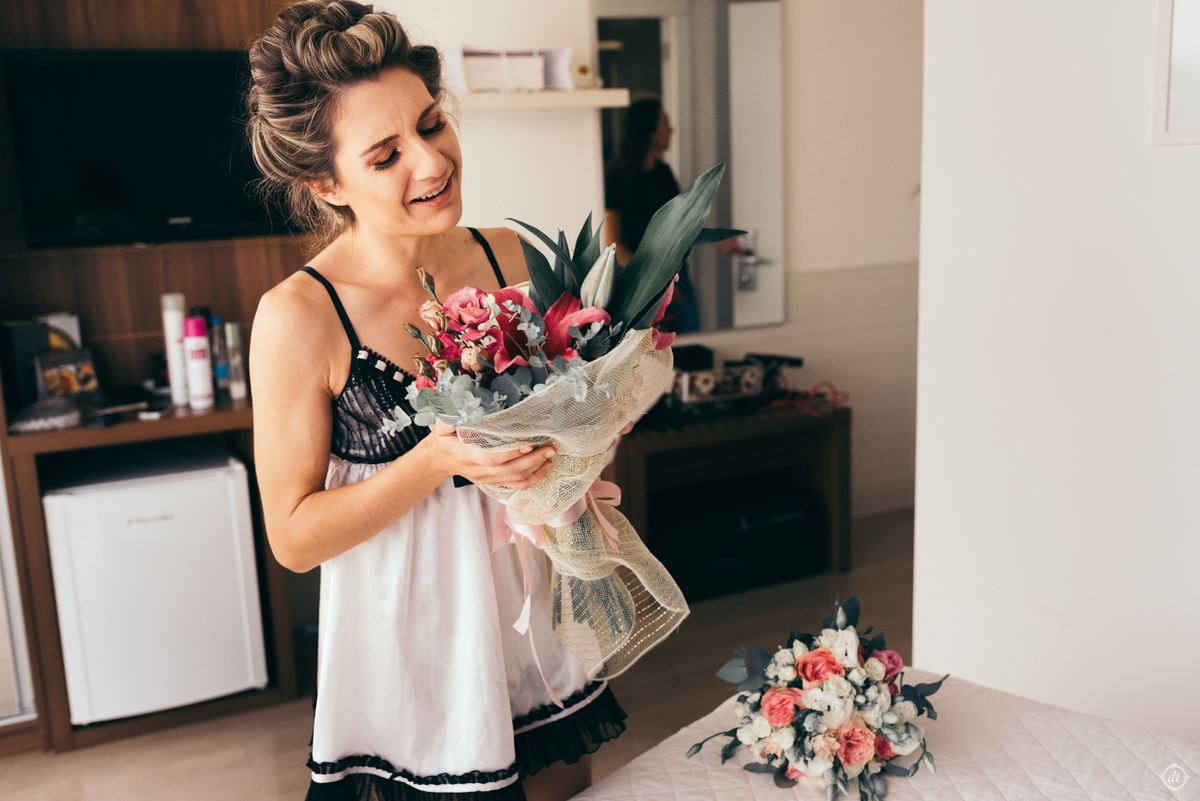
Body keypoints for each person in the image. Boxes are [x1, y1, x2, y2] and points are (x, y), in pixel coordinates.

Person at [246, 3, 629, 799]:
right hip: (405, 662)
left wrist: (577, 452)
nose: (431, 162)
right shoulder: (301, 317)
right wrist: (437, 460)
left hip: (526, 627)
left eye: (432, 123)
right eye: (386, 154)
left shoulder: (511, 255)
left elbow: (574, 416)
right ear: (326, 180)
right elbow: (292, 536)